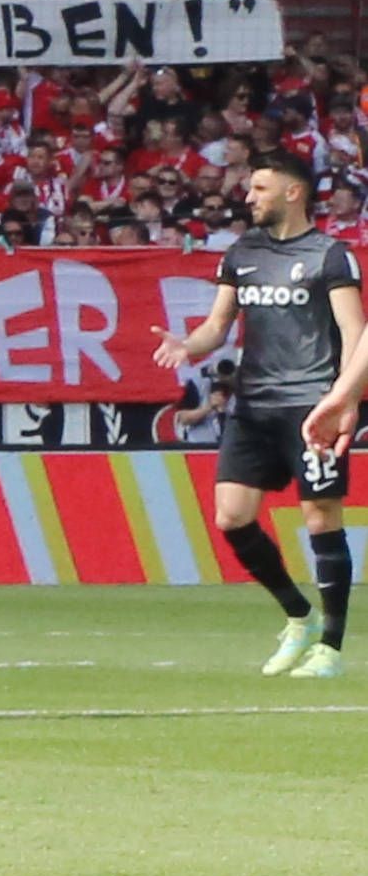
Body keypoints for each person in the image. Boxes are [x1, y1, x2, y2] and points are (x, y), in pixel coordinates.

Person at [151, 146, 356, 677]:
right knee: (231, 517)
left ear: (293, 192)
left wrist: (346, 397)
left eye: (259, 188)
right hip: (254, 404)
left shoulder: (331, 255)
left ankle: (330, 647)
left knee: (320, 516)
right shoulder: (242, 252)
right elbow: (219, 325)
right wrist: (189, 346)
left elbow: (355, 333)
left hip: (312, 403)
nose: (248, 196)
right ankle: (299, 615)